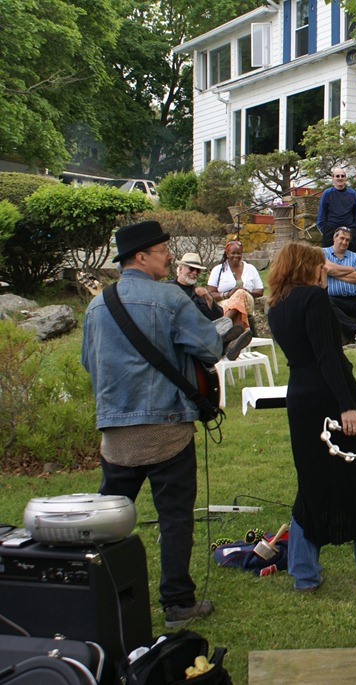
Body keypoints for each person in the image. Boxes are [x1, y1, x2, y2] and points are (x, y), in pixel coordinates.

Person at [81, 221, 224, 629]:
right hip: (167, 427)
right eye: (163, 250)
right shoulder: (169, 298)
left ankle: (102, 597)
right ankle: (177, 603)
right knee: (174, 517)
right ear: (141, 257)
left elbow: (88, 363)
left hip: (116, 432)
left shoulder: (96, 306)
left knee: (108, 523)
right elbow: (210, 347)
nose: (170, 256)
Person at [266, 241, 356, 593]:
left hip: (300, 397)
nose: (324, 270)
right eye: (320, 265)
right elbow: (327, 354)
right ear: (306, 267)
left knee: (311, 480)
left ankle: (304, 573)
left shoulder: (276, 305)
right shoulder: (314, 299)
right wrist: (347, 405)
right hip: (330, 396)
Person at [207, 240, 264, 330]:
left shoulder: (250, 268)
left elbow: (260, 291)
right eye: (233, 253)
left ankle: (223, 324)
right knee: (238, 309)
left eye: (239, 253)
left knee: (240, 293)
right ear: (227, 254)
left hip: (247, 302)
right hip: (224, 302)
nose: (236, 256)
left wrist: (246, 292)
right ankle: (239, 333)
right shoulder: (218, 270)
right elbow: (210, 294)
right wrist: (228, 294)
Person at [316, 167, 356, 251]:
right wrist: (325, 231)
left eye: (342, 176)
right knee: (327, 258)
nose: (340, 178)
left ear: (345, 178)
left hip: (349, 230)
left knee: (350, 257)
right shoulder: (327, 194)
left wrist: (355, 231)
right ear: (333, 178)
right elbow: (321, 214)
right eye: (337, 176)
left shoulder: (352, 194)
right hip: (330, 231)